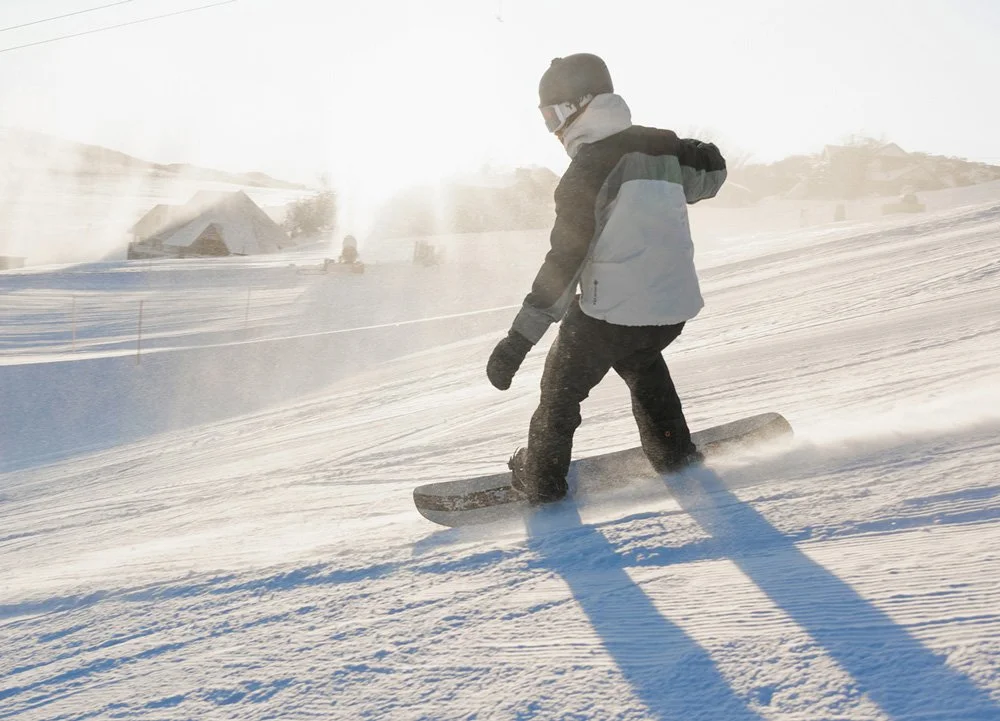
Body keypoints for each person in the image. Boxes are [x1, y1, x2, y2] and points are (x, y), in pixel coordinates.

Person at [485, 53, 727, 504]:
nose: (555, 130)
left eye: (556, 114)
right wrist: (687, 146)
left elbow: (564, 262)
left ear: (583, 104)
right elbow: (711, 175)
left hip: (611, 314)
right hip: (671, 309)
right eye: (546, 118)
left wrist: (517, 342)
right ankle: (673, 452)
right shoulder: (664, 146)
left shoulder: (585, 171)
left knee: (560, 392)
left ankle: (542, 482)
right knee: (642, 361)